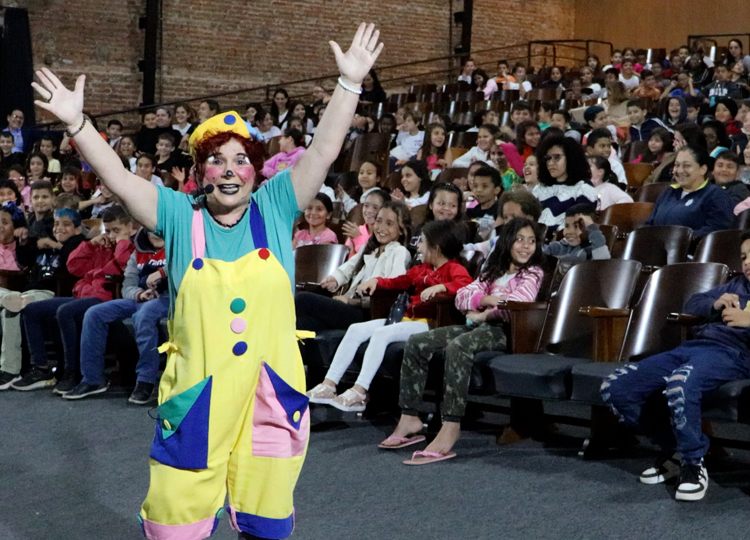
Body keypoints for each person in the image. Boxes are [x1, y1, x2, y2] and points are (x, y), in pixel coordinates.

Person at [29, 22, 384, 539]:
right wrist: (79, 123)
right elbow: (122, 180)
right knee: (178, 515)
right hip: (199, 398)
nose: (229, 168)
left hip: (270, 392)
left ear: (257, 172)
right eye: (216, 158)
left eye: (241, 158)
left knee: (265, 512)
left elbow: (323, 153)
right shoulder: (178, 215)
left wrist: (349, 84)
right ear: (200, 172)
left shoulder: (276, 204)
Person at [379, 218, 544, 463]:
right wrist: (486, 302)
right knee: (417, 342)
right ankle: (409, 417)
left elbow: (515, 305)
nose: (525, 246)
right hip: (478, 324)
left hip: (506, 331)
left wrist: (483, 313)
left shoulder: (532, 272)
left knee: (459, 347)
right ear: (507, 241)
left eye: (531, 241)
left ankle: (451, 424)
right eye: (519, 239)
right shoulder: (493, 270)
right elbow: (462, 297)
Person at [601, 232, 750, 501]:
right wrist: (714, 303)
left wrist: (747, 319)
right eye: (744, 257)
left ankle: (693, 464)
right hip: (694, 348)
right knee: (617, 387)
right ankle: (676, 450)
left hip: (733, 355)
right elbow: (692, 302)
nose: (748, 262)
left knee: (681, 383)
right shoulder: (735, 285)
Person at [307, 220, 472, 412]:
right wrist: (377, 281)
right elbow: (399, 282)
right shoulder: (421, 269)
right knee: (356, 329)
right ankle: (329, 384)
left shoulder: (454, 268)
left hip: (430, 323)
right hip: (408, 318)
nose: (418, 246)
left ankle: (359, 391)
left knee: (382, 334)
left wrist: (443, 287)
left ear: (436, 248)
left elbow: (466, 285)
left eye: (422, 242)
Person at [12, 204, 135, 392]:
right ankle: (41, 368)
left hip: (105, 298)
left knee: (65, 311)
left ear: (131, 228)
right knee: (31, 310)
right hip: (83, 294)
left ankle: (72, 371)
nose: (111, 235)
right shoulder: (101, 245)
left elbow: (125, 266)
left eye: (116, 231)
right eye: (108, 230)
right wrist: (90, 244)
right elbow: (73, 267)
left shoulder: (130, 247)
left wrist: (122, 242)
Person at [64, 228, 170, 403]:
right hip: (142, 298)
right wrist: (139, 294)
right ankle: (92, 379)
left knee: (143, 314)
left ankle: (146, 380)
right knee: (94, 313)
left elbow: (185, 268)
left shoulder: (179, 249)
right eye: (151, 229)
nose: (156, 233)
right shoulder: (138, 252)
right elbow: (128, 285)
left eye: (160, 229)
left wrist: (162, 273)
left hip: (170, 299)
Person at [0, 206, 86, 390]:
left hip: (52, 293)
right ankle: (9, 370)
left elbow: (72, 263)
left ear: (78, 229)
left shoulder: (77, 243)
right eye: (56, 224)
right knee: (12, 306)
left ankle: (10, 370)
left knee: (16, 304)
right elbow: (25, 260)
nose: (59, 228)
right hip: (29, 292)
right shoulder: (46, 244)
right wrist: (23, 242)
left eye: (66, 225)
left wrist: (56, 245)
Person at [645, 145, 733, 237]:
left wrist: (680, 238)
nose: (679, 170)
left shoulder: (715, 194)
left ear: (703, 169)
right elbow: (649, 223)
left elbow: (717, 230)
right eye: (677, 165)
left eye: (687, 165)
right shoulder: (669, 192)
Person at [534, 135, 597, 235]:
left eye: (556, 157)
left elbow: (580, 224)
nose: (550, 163)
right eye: (548, 158)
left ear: (571, 158)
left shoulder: (583, 188)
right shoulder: (539, 188)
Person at [543, 203, 610, 262]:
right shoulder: (559, 247)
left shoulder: (592, 250)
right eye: (567, 226)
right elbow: (537, 253)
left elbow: (603, 263)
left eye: (576, 226)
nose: (569, 232)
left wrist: (591, 227)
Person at [342, 188, 390, 258]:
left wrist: (358, 238)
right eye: (366, 206)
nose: (369, 211)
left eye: (375, 207)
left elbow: (372, 259)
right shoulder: (357, 230)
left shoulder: (384, 234)